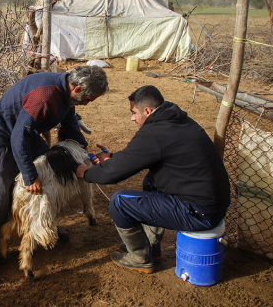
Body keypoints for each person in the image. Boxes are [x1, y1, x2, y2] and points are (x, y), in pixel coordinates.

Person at [0, 66, 108, 287]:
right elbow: (17, 136)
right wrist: (30, 176)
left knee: (52, 176)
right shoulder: (46, 95)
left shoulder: (67, 97)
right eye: (88, 99)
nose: (87, 103)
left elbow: (70, 127)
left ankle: (43, 222)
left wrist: (85, 155)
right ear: (77, 88)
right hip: (1, 139)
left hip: (26, 138)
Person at [76, 85, 230, 274]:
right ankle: (151, 246)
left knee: (119, 202)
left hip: (198, 213)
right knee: (151, 180)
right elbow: (136, 157)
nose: (132, 118)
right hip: (210, 205)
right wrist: (112, 159)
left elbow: (114, 173)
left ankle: (140, 257)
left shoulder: (155, 133)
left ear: (147, 111)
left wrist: (86, 173)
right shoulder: (176, 121)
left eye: (134, 113)